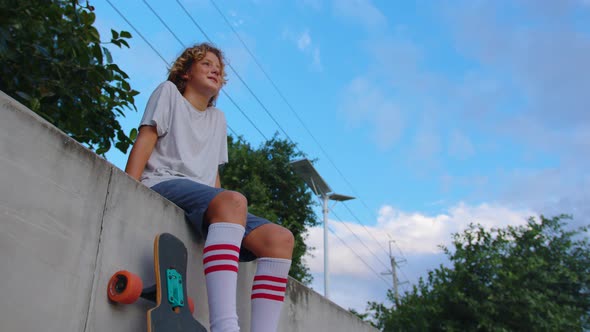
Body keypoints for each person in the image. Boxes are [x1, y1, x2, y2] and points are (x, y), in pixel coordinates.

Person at [125, 42, 294, 332]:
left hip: (202, 198)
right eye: (206, 64)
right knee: (234, 200)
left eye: (219, 69)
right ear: (186, 72)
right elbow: (146, 138)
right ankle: (225, 327)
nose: (215, 70)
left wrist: (226, 214)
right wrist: (126, 186)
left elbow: (213, 177)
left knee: (280, 239)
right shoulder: (168, 93)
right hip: (163, 181)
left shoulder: (218, 119)